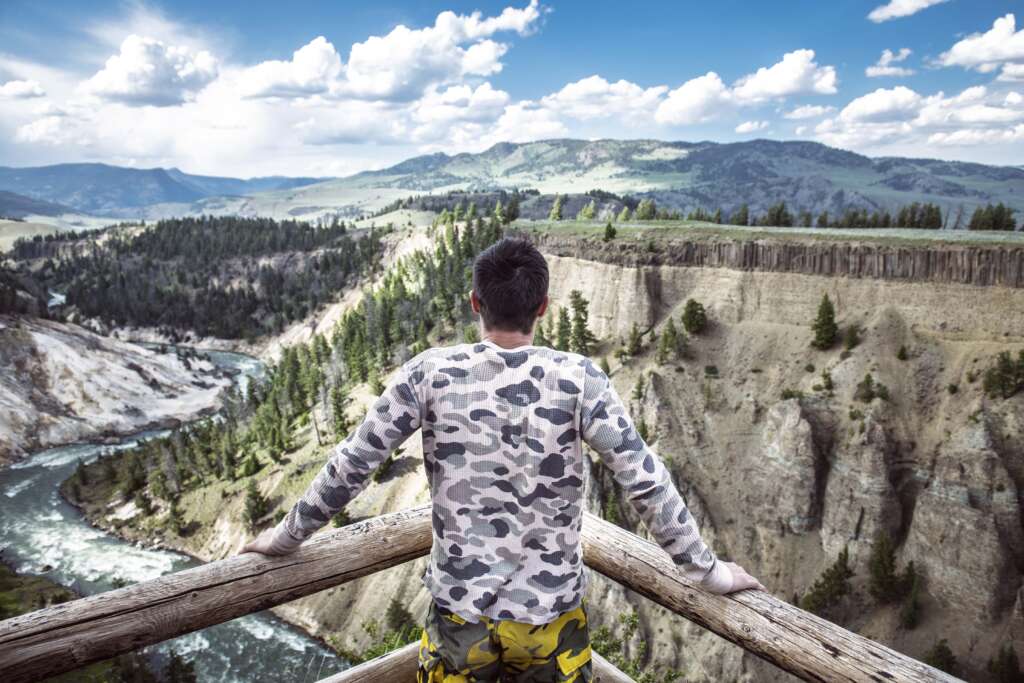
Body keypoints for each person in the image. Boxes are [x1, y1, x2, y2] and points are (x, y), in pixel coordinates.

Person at [241, 237, 765, 682]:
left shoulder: (429, 373)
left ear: (475, 302)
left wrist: (286, 537)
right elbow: (646, 483)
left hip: (459, 619)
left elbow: (353, 464)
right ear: (542, 306)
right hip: (551, 623)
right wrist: (707, 572)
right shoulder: (579, 379)